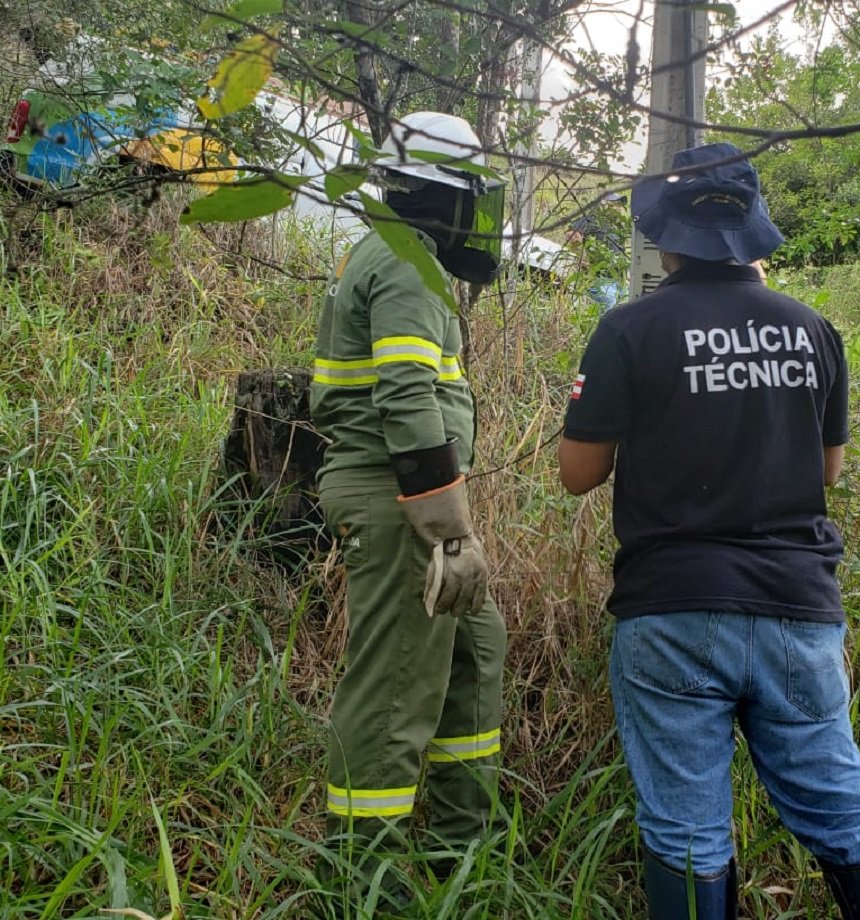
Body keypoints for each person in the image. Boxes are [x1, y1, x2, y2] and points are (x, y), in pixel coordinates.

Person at [557, 142, 860, 920]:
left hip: (673, 609)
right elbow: (828, 472)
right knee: (844, 813)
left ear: (666, 238)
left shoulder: (629, 328)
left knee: (686, 834)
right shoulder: (812, 328)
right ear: (754, 233)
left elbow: (577, 473)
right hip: (798, 609)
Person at [309, 111, 508, 911]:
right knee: (397, 688)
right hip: (403, 506)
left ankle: (463, 852)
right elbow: (405, 398)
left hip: (410, 502)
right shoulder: (401, 264)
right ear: (444, 196)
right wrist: (449, 530)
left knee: (474, 652)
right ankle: (367, 884)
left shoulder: (400, 256)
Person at [567, 191, 629, 310]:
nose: (619, 207)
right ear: (603, 204)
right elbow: (571, 233)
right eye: (615, 204)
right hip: (600, 280)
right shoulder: (593, 219)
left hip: (618, 282)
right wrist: (582, 258)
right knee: (609, 304)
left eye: (620, 204)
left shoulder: (617, 227)